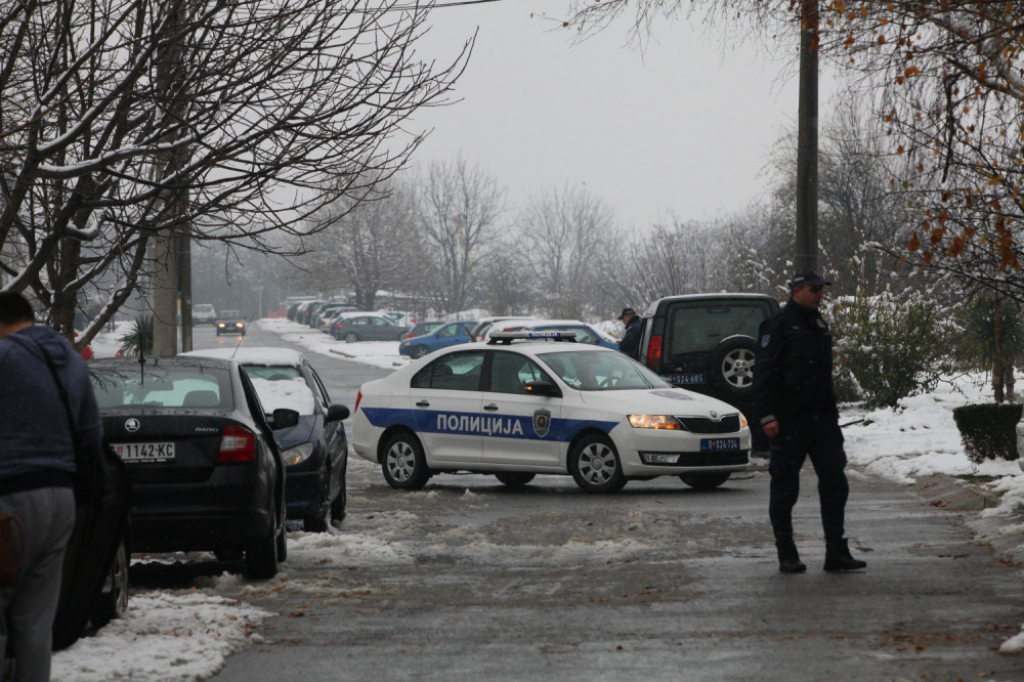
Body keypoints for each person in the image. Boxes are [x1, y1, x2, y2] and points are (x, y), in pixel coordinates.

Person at [0, 291, 103, 679]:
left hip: (9, 503)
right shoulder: (71, 363)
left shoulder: (5, 357)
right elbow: (92, 436)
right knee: (34, 622)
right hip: (60, 501)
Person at [751, 270, 866, 574]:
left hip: (822, 421)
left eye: (821, 290)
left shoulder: (818, 324)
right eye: (814, 290)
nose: (819, 295)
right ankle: (786, 552)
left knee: (835, 483)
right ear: (796, 291)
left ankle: (836, 551)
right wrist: (767, 415)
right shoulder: (777, 326)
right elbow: (762, 374)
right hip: (788, 421)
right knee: (785, 489)